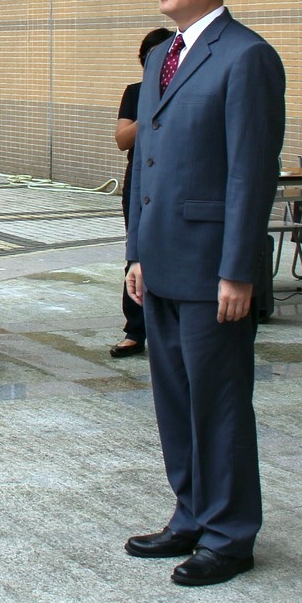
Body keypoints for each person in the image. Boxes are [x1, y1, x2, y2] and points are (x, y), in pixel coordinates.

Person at [124, 0, 286, 588]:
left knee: (218, 402)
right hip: (160, 262)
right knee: (174, 399)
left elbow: (253, 171)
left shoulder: (245, 56)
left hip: (214, 268)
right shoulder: (164, 55)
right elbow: (146, 164)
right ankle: (190, 514)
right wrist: (136, 253)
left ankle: (229, 534)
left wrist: (239, 269)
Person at [112, 26, 175, 358]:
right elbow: (122, 139)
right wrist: (152, 109)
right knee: (136, 252)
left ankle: (170, 327)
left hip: (176, 184)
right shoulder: (135, 93)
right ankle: (135, 329)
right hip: (139, 184)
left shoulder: (187, 90)